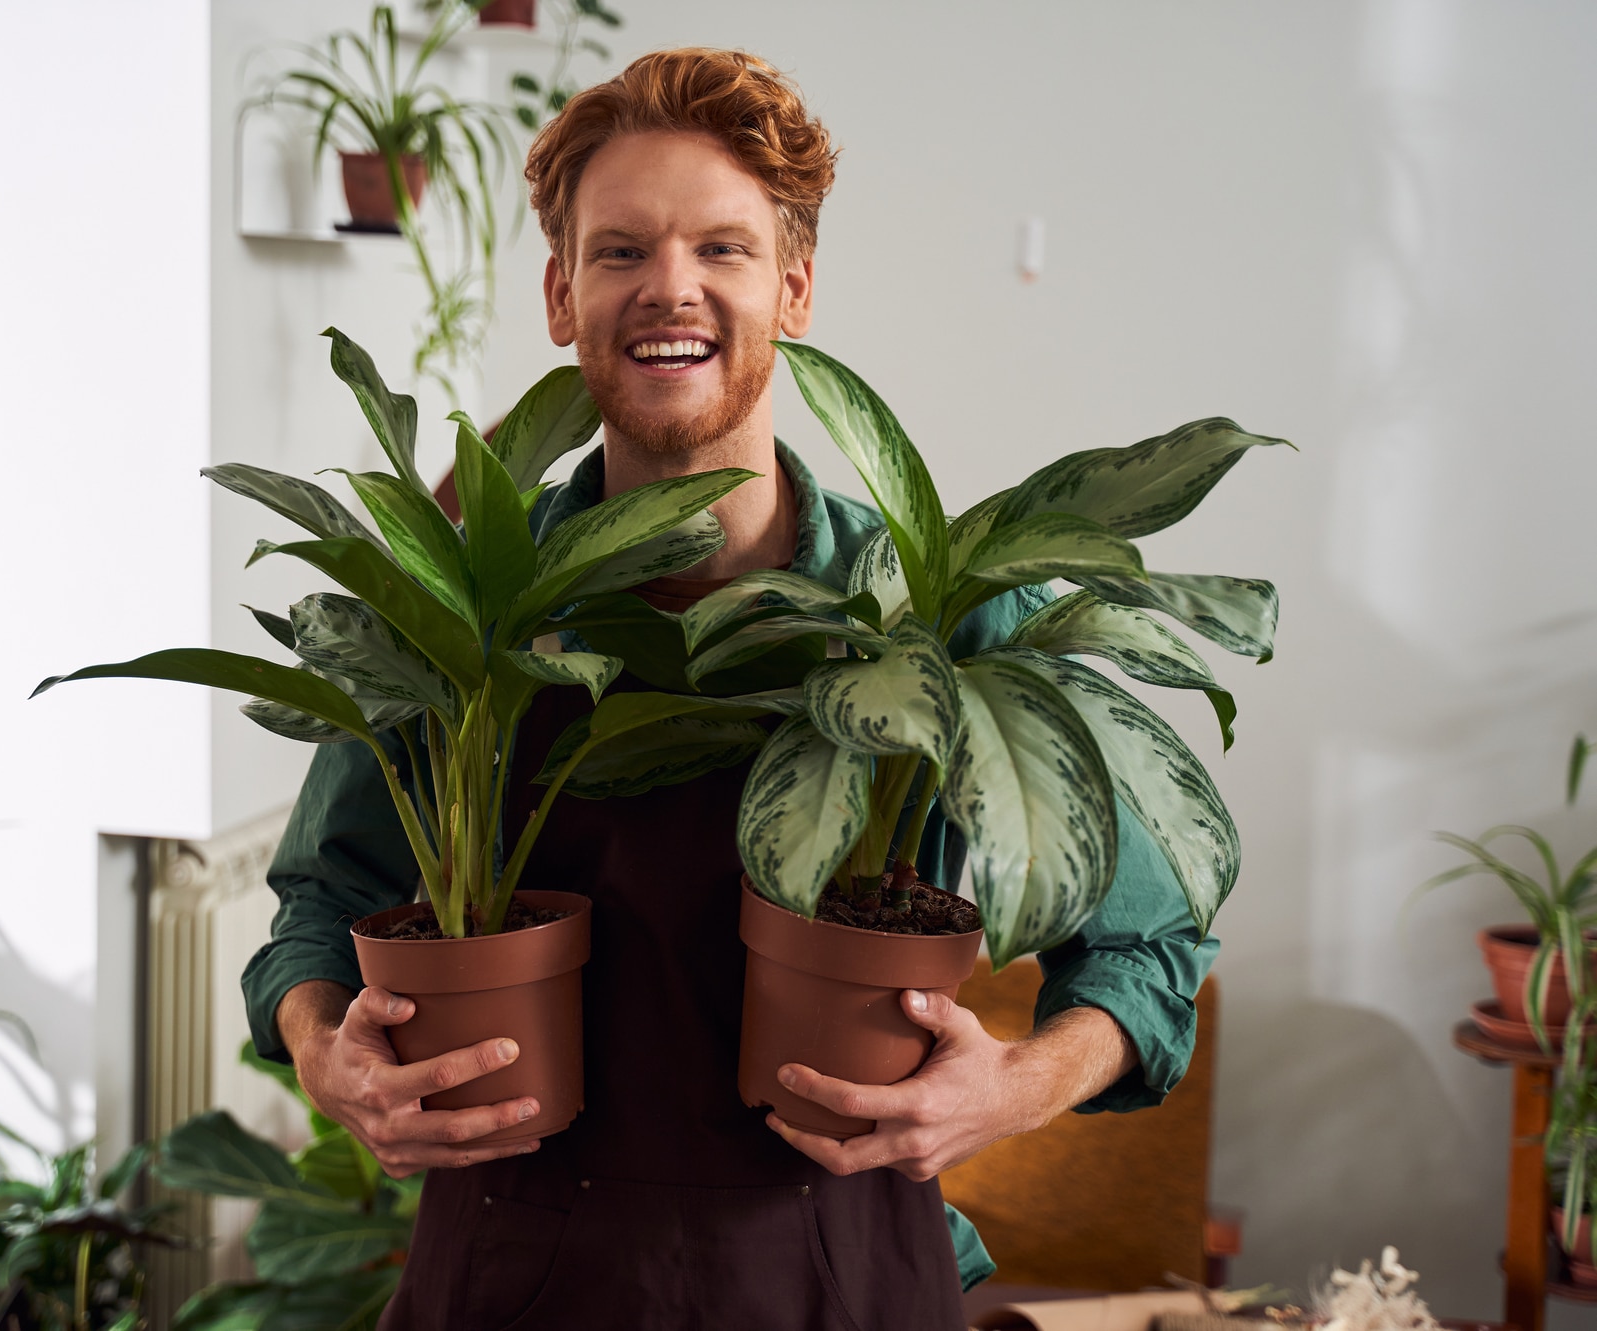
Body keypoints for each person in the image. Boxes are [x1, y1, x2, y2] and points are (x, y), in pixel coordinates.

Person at [243, 48, 1217, 1331]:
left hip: (840, 1265)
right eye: (619, 251)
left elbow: (1149, 941)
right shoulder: (455, 596)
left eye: (722, 248)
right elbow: (321, 903)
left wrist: (1015, 1085)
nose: (669, 289)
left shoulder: (943, 617)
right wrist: (329, 1054)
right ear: (558, 292)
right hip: (514, 1273)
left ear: (794, 288)